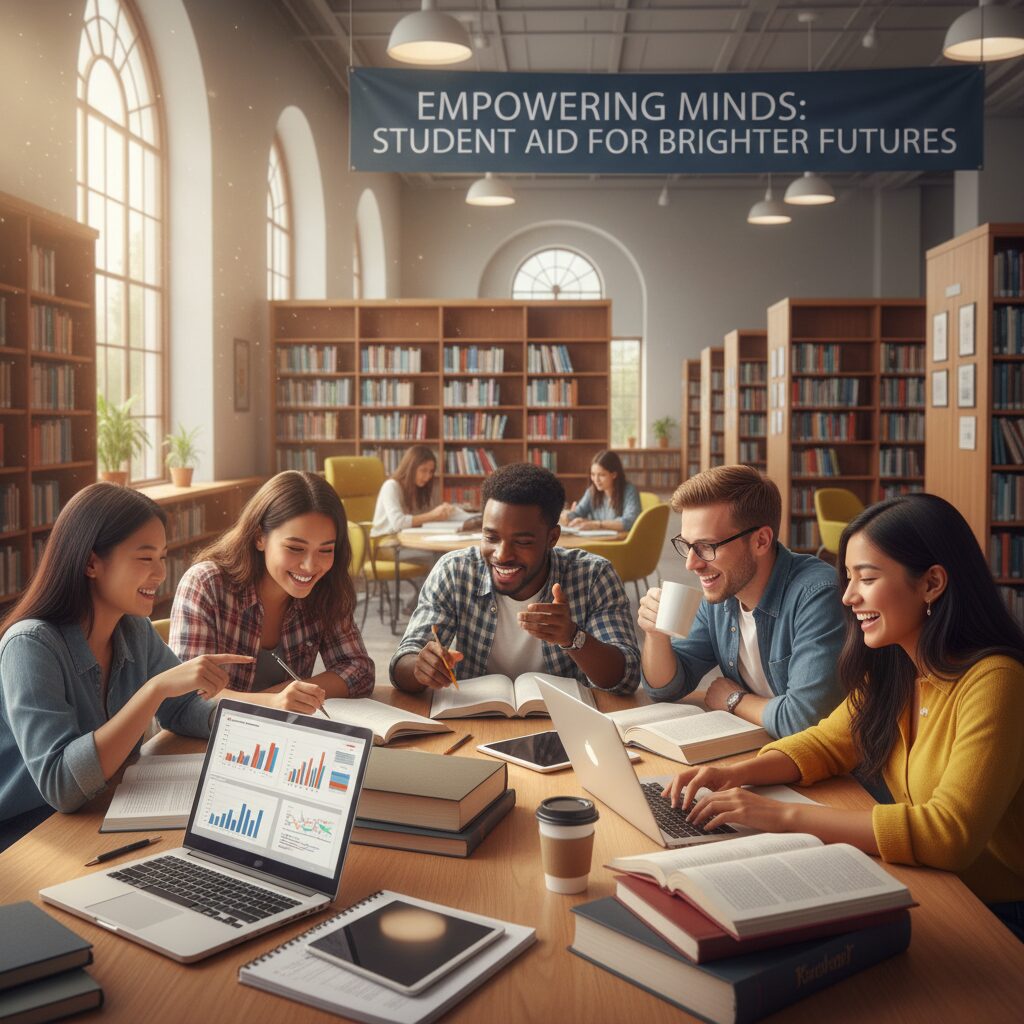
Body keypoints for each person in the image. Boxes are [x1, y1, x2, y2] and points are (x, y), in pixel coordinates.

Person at [663, 493, 1024, 941]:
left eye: (866, 578)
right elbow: (825, 743)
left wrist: (779, 816)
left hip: (994, 912)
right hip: (926, 880)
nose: (849, 596)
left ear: (931, 583)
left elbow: (948, 834)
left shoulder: (995, 681)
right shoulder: (897, 664)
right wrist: (731, 774)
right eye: (848, 577)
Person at [0, 484, 247, 852]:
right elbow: (60, 785)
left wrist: (248, 724)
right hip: (30, 836)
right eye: (145, 558)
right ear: (91, 562)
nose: (161, 572)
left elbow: (182, 709)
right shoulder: (30, 645)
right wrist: (154, 690)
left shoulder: (132, 629)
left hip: (106, 811)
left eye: (162, 557)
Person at [390, 463, 640, 695]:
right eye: (491, 538)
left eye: (522, 542)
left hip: (564, 725)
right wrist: (419, 667)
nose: (502, 555)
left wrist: (572, 637)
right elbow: (404, 660)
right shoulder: (455, 571)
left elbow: (626, 678)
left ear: (552, 538)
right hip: (475, 721)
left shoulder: (593, 576)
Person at [638, 464, 845, 739]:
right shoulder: (721, 596)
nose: (691, 564)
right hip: (765, 748)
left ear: (761, 540)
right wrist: (655, 635)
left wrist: (734, 700)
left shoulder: (817, 595)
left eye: (706, 547)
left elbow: (805, 720)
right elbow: (666, 688)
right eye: (687, 545)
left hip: (832, 772)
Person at [170, 471, 374, 714]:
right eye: (295, 548)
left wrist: (294, 691)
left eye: (325, 550)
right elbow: (187, 698)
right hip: (207, 742)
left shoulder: (326, 586)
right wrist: (273, 703)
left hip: (284, 741)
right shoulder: (206, 584)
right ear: (259, 538)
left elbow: (359, 670)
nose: (310, 566)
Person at [370, 445, 473, 537]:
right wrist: (434, 515)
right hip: (387, 543)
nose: (428, 476)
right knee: (439, 555)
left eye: (431, 471)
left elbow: (427, 517)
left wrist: (447, 512)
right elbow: (398, 523)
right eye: (423, 470)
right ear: (410, 468)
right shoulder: (391, 486)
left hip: (409, 539)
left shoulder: (419, 488)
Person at [562, 449, 641, 532]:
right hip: (596, 540)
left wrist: (596, 524)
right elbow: (579, 512)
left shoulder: (629, 491)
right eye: (593, 474)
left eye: (601, 475)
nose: (596, 480)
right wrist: (567, 516)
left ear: (614, 474)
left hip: (620, 541)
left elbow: (630, 521)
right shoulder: (592, 491)